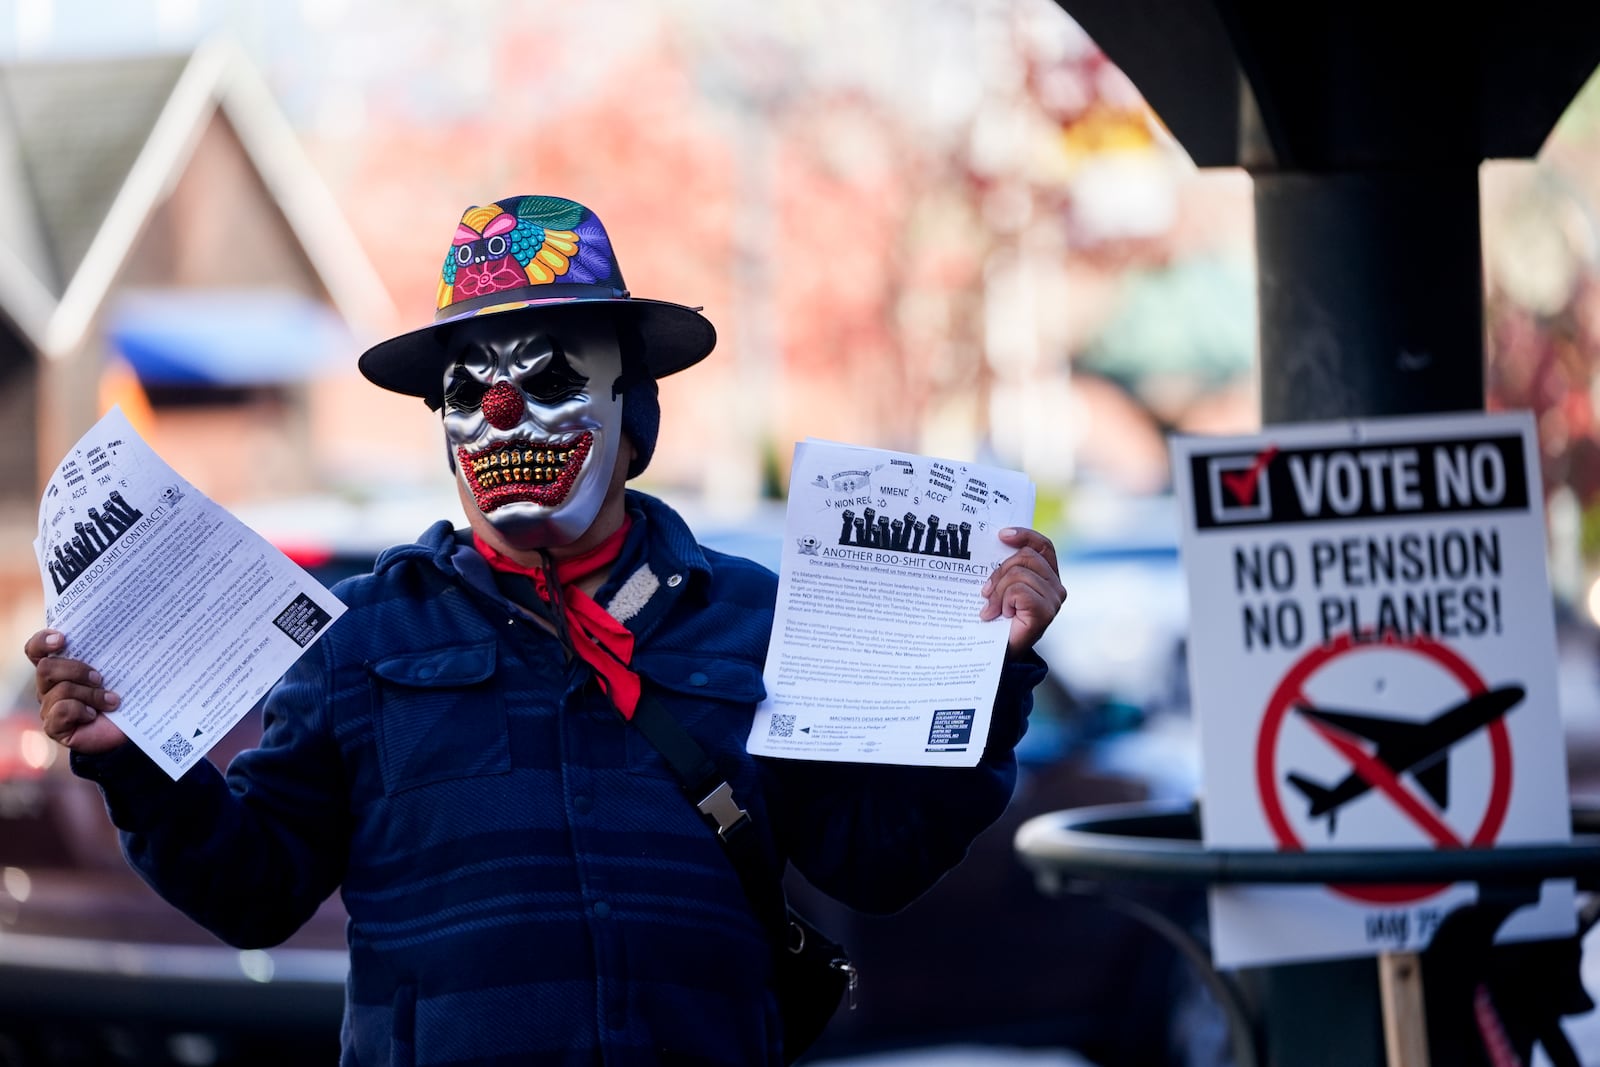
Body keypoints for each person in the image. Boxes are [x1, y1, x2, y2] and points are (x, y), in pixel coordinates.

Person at [27, 194, 1066, 1066]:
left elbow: (873, 859)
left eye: (551, 378)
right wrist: (137, 764)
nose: (506, 413)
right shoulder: (361, 639)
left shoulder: (752, 617)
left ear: (634, 413)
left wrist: (987, 673)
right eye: (468, 392)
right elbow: (255, 890)